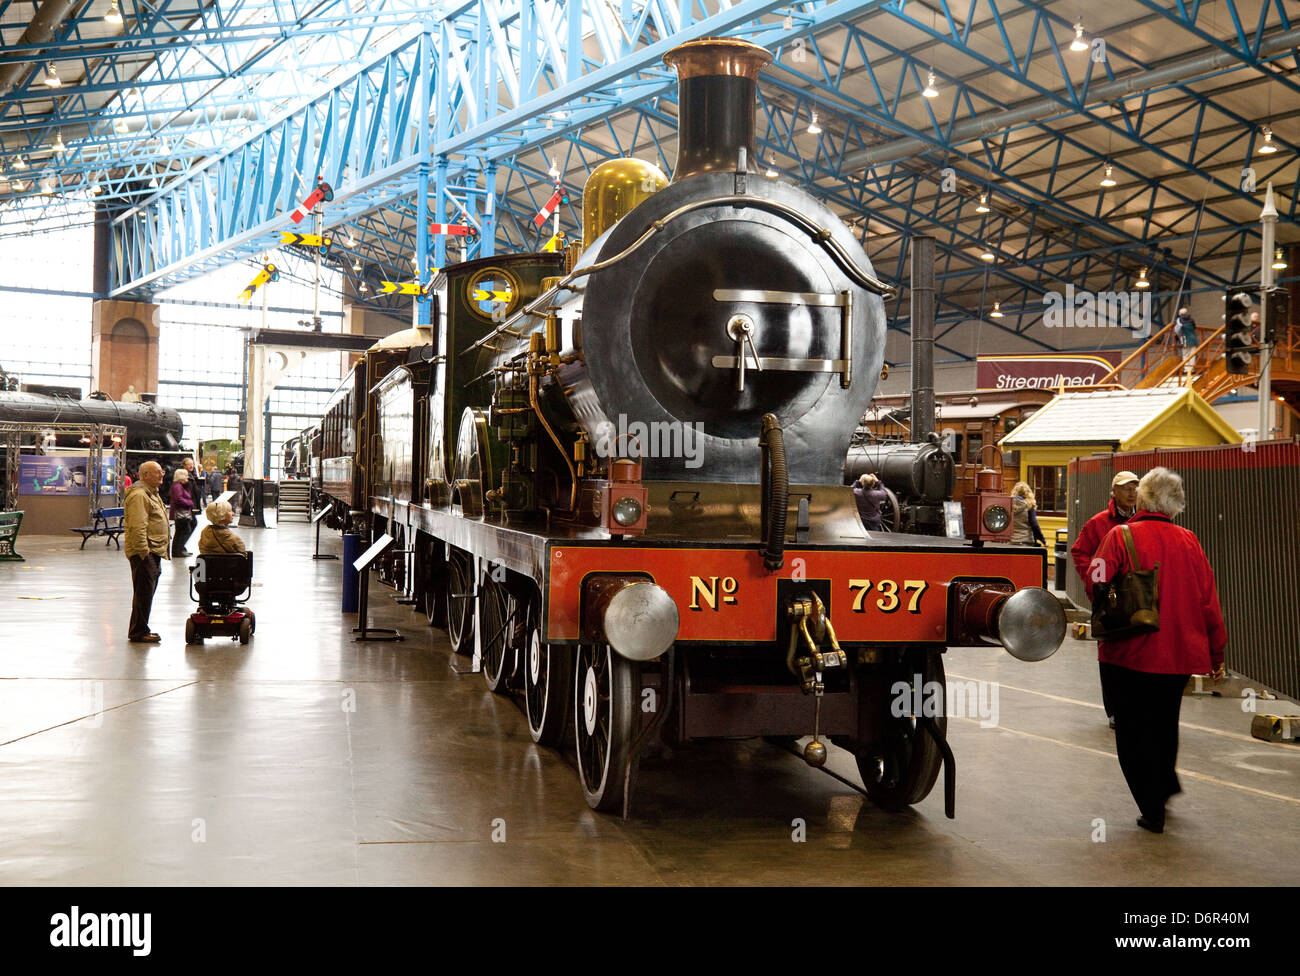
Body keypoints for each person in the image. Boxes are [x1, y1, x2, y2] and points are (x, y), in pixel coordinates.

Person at [1091, 467, 1226, 834]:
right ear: (1175, 504)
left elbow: (1097, 576)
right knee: (1165, 725)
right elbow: (1208, 601)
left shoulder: (1120, 536)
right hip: (1178, 656)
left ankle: (1152, 807)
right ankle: (1164, 787)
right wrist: (1217, 652)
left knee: (1132, 731)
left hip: (1129, 653)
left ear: (1144, 498)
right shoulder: (1189, 540)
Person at [1072, 470, 1139, 728]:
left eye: (1135, 487)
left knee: (1137, 650)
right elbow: (1080, 552)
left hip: (1136, 597)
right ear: (1114, 492)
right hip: (1107, 599)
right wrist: (1095, 585)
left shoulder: (1142, 520)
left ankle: (1133, 706)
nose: (1131, 492)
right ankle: (1115, 710)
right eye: (1125, 488)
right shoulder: (1099, 523)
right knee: (1109, 653)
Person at [123, 460, 169, 643]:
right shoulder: (140, 495)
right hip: (145, 553)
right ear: (145, 475)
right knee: (143, 594)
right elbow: (137, 526)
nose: (162, 475)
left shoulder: (151, 493)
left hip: (153, 551)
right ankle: (138, 632)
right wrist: (144, 553)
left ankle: (140, 629)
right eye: (157, 472)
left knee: (145, 593)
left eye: (161, 471)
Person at [170, 468, 196, 557]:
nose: (187, 477)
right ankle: (179, 550)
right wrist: (190, 503)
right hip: (181, 512)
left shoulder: (179, 485)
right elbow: (178, 499)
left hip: (181, 511)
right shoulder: (178, 486)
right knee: (184, 531)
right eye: (186, 475)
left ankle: (178, 549)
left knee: (181, 531)